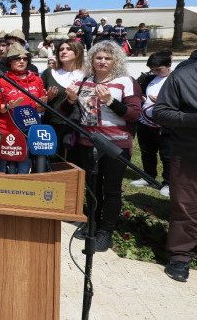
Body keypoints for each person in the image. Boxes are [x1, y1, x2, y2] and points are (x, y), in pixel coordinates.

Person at [60, 40, 141, 252]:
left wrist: (110, 101)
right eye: (98, 57)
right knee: (92, 187)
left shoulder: (126, 81)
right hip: (88, 143)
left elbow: (134, 114)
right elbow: (64, 112)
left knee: (111, 189)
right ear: (92, 60)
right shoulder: (85, 81)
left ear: (116, 60)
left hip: (116, 145)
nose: (102, 61)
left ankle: (107, 231)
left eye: (108, 58)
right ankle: (92, 222)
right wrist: (70, 99)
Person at [153, 59, 197, 282]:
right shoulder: (182, 75)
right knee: (186, 207)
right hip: (188, 153)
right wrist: (192, 119)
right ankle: (180, 255)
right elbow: (160, 112)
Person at [0, 43, 47, 173]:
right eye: (17, 58)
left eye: (25, 58)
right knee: (2, 172)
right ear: (10, 61)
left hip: (27, 134)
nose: (22, 61)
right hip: (6, 132)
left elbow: (39, 109)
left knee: (24, 172)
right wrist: (7, 107)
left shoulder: (37, 80)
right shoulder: (1, 81)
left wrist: (44, 104)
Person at [132, 51, 172, 196]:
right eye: (153, 70)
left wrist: (163, 101)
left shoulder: (175, 79)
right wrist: (142, 96)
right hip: (145, 123)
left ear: (169, 65)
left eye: (159, 69)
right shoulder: (149, 78)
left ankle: (168, 183)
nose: (155, 73)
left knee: (166, 155)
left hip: (165, 125)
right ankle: (148, 177)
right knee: (147, 151)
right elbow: (140, 90)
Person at [40, 39, 85, 160]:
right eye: (61, 49)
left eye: (69, 49)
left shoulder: (87, 75)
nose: (63, 52)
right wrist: (48, 98)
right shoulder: (50, 73)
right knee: (53, 161)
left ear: (78, 52)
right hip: (52, 125)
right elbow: (39, 99)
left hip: (78, 126)